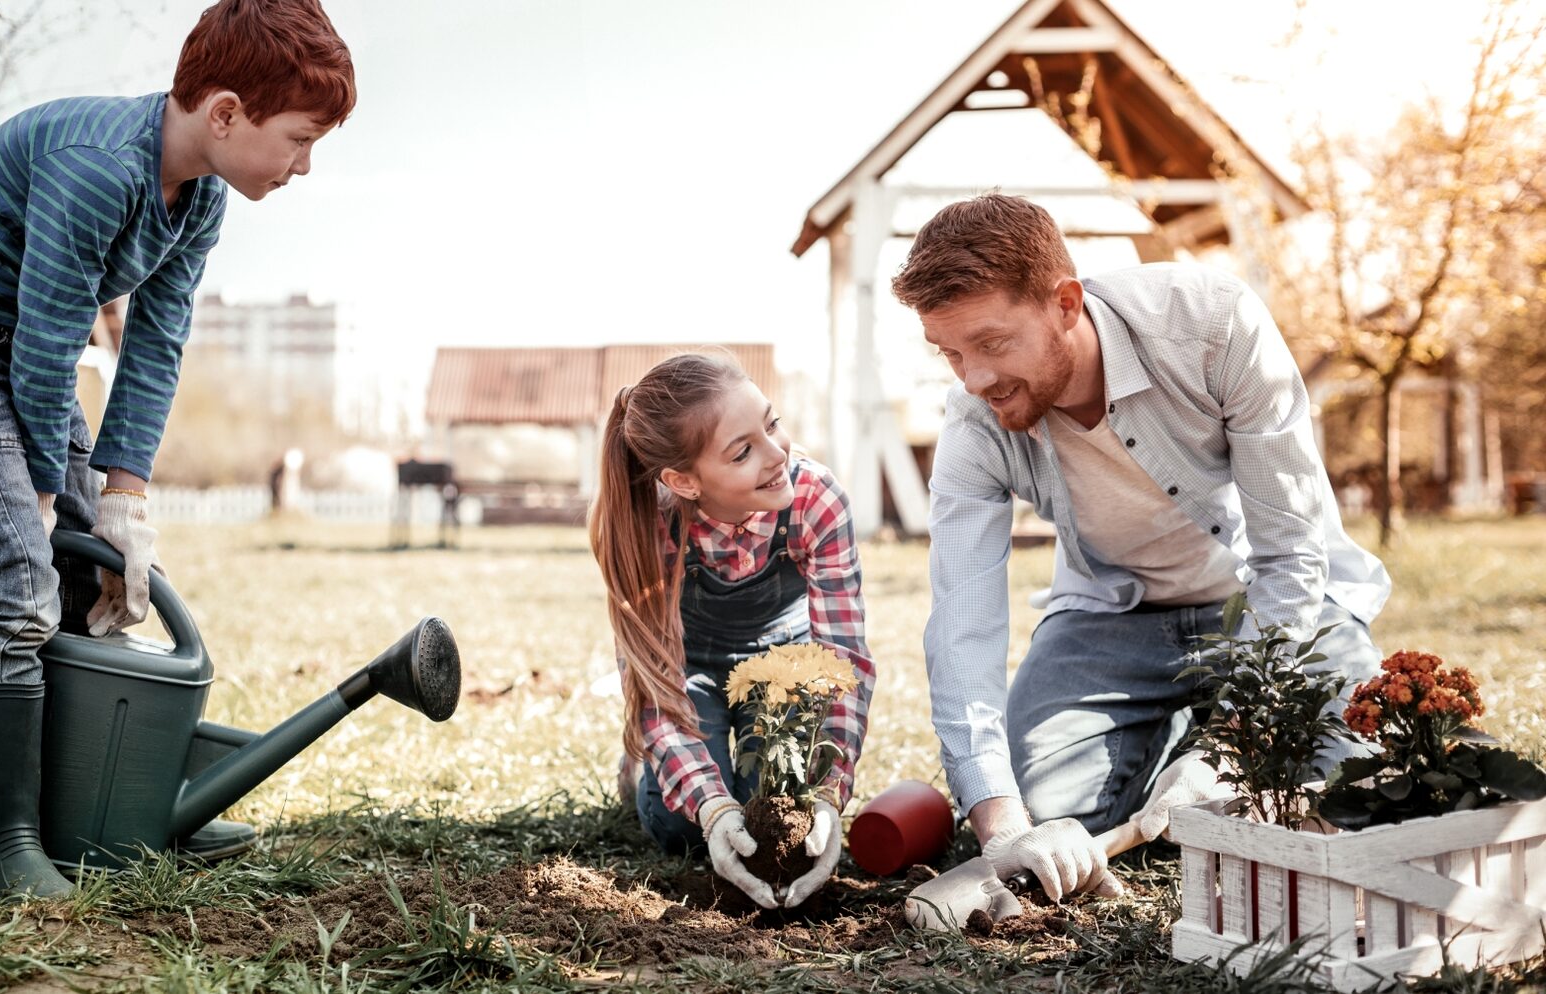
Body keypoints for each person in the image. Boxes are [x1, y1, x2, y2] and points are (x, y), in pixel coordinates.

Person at [0, 0, 356, 900]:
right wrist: (59, 509)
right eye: (297, 139)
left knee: (68, 574)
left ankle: (78, 806)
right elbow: (45, 350)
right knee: (19, 573)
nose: (303, 166)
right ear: (224, 114)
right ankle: (6, 841)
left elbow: (156, 340)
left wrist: (122, 503)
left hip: (26, 347)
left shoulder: (201, 198)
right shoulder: (99, 168)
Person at [892, 194, 1390, 904]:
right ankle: (1181, 735)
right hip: (1112, 617)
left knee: (1358, 784)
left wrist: (1239, 744)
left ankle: (1208, 730)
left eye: (993, 343)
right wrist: (1001, 827)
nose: (973, 378)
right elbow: (962, 627)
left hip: (1264, 603)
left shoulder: (1215, 326)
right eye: (950, 353)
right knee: (1048, 803)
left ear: (1065, 303)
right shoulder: (975, 424)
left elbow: (1289, 553)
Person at [588, 353, 876, 910]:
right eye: (743, 451)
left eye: (771, 424)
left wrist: (825, 793)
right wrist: (712, 810)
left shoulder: (817, 500)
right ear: (683, 480)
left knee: (773, 808)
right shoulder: (648, 527)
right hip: (687, 669)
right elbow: (655, 681)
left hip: (782, 668)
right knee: (681, 826)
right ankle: (644, 766)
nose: (778, 456)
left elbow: (843, 660)